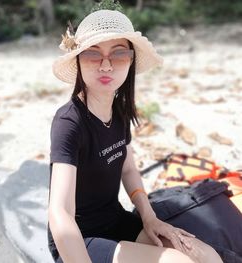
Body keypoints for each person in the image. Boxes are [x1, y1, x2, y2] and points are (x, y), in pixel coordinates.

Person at [47, 8, 223, 263]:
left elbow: (128, 169)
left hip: (115, 221)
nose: (106, 65)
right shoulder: (69, 122)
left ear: (130, 61)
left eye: (118, 54)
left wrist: (149, 216)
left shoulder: (118, 112)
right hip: (79, 241)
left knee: (206, 256)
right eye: (93, 54)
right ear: (77, 61)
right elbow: (60, 211)